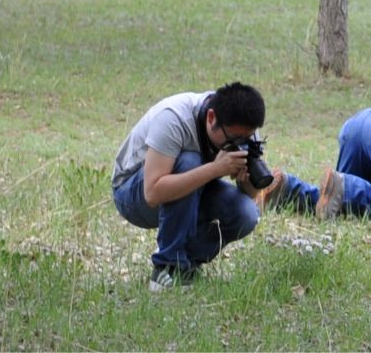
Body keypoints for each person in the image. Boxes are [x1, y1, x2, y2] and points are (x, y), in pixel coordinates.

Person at [111, 82, 266, 291]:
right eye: (234, 138)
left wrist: (247, 178)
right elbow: (152, 193)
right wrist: (215, 169)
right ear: (211, 118)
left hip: (192, 189)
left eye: (247, 138)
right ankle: (167, 267)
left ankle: (185, 264)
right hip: (132, 192)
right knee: (190, 161)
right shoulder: (174, 119)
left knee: (246, 213)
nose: (240, 142)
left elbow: (251, 195)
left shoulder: (241, 128)